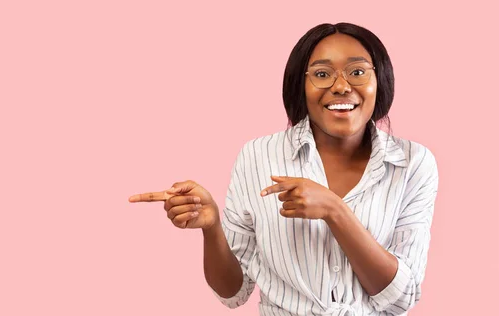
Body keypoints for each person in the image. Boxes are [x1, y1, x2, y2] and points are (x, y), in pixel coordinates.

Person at [128, 22, 438, 316]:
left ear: (379, 80)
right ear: (299, 85)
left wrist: (334, 210)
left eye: (357, 71)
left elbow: (400, 298)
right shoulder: (257, 156)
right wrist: (212, 228)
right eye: (322, 73)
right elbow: (233, 293)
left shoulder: (413, 164)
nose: (341, 86)